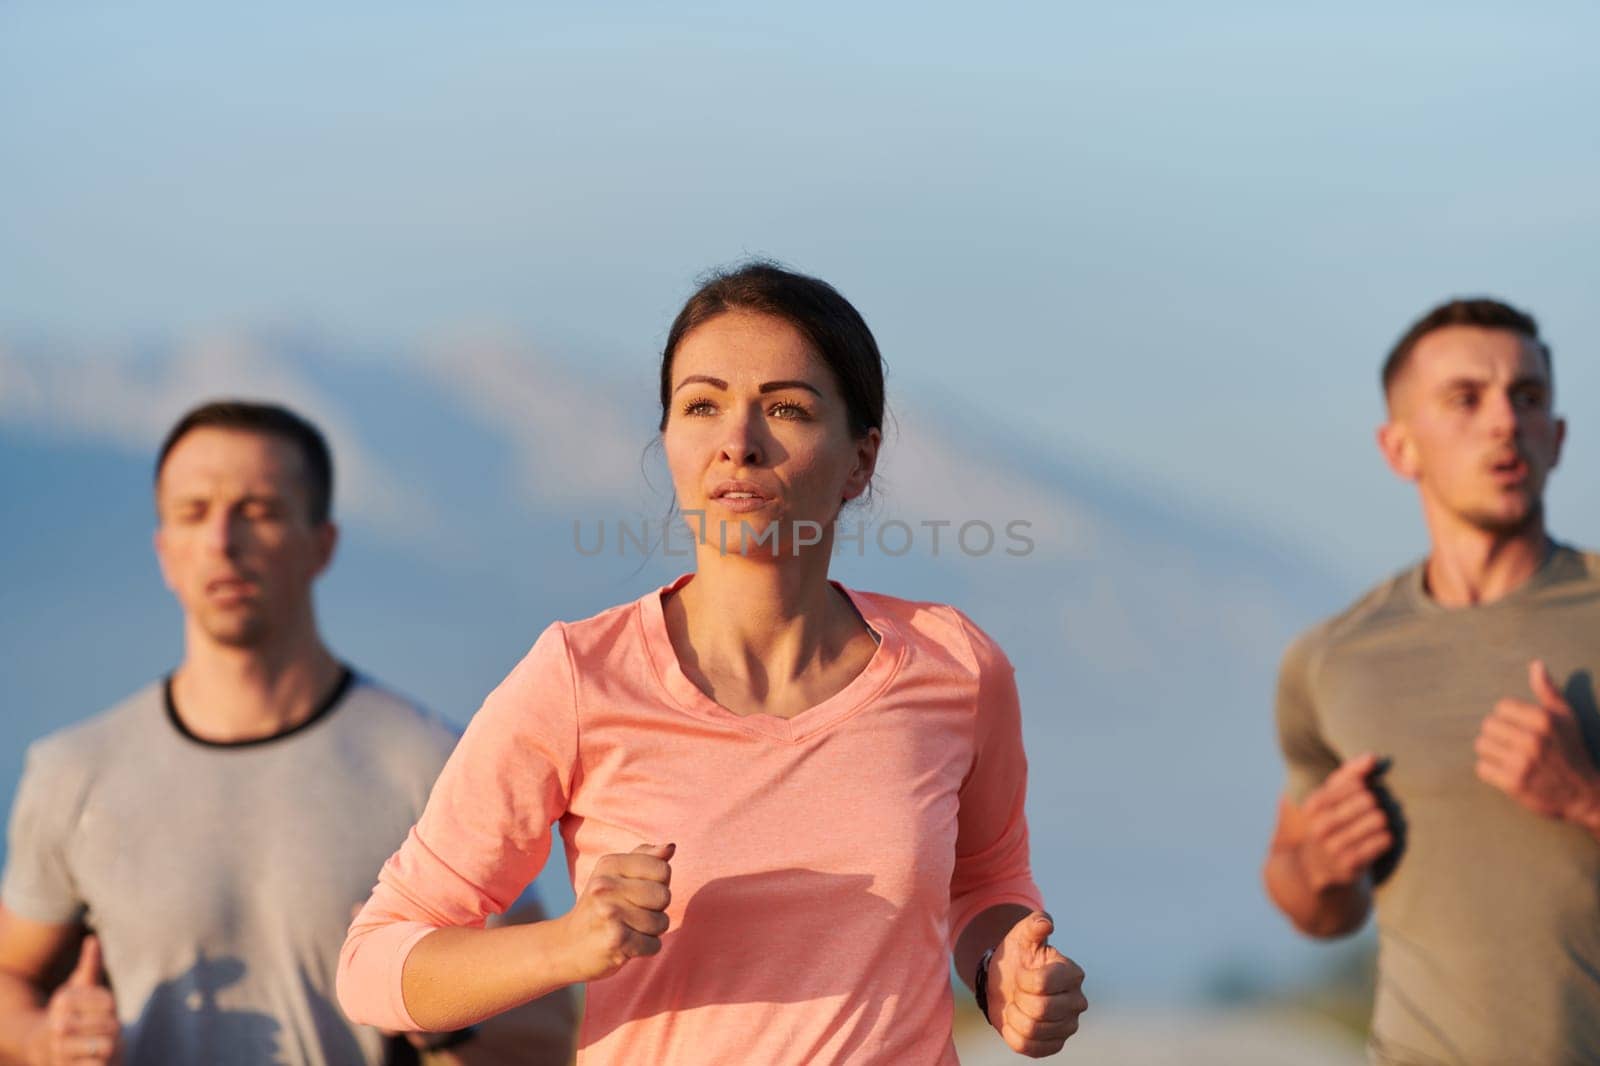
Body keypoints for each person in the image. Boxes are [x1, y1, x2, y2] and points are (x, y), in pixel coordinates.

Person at [337, 262, 1088, 1063]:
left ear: (860, 460)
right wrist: (567, 947)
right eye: (702, 405)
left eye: (787, 409)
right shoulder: (578, 676)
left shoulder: (957, 666)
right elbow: (371, 968)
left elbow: (986, 881)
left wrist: (1001, 971)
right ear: (669, 441)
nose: (738, 443)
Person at [0, 401, 576, 1066]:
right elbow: (9, 983)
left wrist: (442, 1018)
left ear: (322, 543)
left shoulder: (429, 764)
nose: (222, 540)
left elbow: (546, 1030)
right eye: (193, 512)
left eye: (260, 511)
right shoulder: (76, 773)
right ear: (164, 552)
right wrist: (45, 1039)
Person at [1262, 298, 1600, 1064]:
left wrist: (1583, 798)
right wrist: (1319, 868)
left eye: (1529, 397)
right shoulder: (1334, 659)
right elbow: (1305, 894)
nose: (1504, 422)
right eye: (1464, 399)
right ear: (1399, 447)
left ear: (1559, 437)